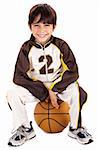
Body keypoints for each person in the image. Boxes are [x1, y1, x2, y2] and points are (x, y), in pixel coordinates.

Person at [6, 3, 93, 147]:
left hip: (58, 88)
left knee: (76, 90)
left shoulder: (61, 45)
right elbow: (18, 77)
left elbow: (73, 72)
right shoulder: (26, 48)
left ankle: (75, 127)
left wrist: (54, 89)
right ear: (30, 26)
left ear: (54, 27)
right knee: (12, 93)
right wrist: (43, 93)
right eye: (36, 25)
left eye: (46, 25)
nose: (42, 30)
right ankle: (25, 129)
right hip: (37, 90)